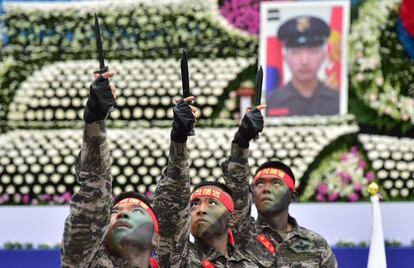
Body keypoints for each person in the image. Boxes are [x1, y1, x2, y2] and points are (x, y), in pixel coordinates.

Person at [153, 97, 275, 267]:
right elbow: (171, 204)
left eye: (212, 203)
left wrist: (241, 141)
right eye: (194, 204)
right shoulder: (179, 258)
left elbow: (239, 197)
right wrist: (178, 139)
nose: (200, 210)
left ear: (231, 218)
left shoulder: (253, 260)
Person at [61, 71, 160, 268]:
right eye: (114, 212)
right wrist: (95, 119)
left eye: (137, 211)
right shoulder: (85, 262)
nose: (122, 215)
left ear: (156, 238)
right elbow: (93, 191)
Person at [224, 150, 338, 266]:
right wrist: (241, 145)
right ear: (252, 195)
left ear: (292, 197)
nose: (266, 189)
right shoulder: (241, 235)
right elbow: (236, 188)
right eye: (259, 183)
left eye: (276, 183)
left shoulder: (316, 244)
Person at [266, 16, 340, 116]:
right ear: (285, 57)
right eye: (296, 52)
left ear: (323, 55)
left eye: (313, 51)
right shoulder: (269, 103)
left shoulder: (339, 100)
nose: (305, 61)